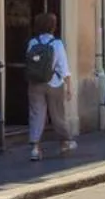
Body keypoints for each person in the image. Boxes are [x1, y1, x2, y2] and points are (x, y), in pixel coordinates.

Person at [24, 13, 75, 161]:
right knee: (57, 114)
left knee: (36, 114)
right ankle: (65, 141)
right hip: (54, 83)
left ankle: (35, 148)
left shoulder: (32, 43)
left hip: (35, 83)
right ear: (53, 26)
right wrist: (69, 86)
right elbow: (63, 67)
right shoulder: (57, 44)